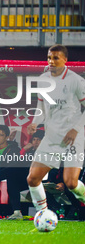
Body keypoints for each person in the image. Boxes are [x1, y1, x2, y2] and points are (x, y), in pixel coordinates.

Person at [27, 44, 85, 215]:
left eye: (56, 58)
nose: (51, 61)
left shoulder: (76, 81)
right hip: (52, 138)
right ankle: (42, 214)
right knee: (33, 178)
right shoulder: (42, 79)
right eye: (49, 57)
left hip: (73, 138)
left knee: (71, 183)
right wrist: (35, 123)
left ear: (65, 60)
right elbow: (41, 108)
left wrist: (75, 129)